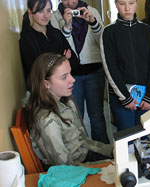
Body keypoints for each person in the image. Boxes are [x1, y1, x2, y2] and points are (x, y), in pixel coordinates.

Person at [24, 53, 113, 166]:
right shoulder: (47, 120)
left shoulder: (63, 102)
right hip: (75, 167)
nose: (73, 80)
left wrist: (111, 150)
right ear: (46, 83)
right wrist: (106, 165)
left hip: (84, 154)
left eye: (70, 74)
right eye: (64, 77)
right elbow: (66, 167)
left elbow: (82, 141)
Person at [50, 0, 109, 144]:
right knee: (75, 116)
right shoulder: (54, 16)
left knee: (97, 116)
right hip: (70, 75)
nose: (70, 2)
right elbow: (59, 44)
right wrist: (67, 25)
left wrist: (93, 22)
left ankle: (104, 151)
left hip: (94, 71)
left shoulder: (92, 11)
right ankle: (81, 151)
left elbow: (103, 40)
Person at [100, 0, 150, 131]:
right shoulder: (109, 32)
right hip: (121, 98)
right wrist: (125, 98)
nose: (127, 8)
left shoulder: (147, 30)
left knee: (147, 138)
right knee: (127, 140)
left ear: (136, 3)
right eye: (122, 4)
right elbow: (110, 67)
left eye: (131, 3)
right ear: (115, 4)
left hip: (146, 96)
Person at [19, 0, 78, 88]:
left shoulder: (56, 33)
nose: (46, 16)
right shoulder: (26, 40)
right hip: (43, 93)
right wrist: (63, 60)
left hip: (63, 90)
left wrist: (58, 63)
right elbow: (37, 73)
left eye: (48, 10)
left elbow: (75, 61)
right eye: (40, 11)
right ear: (30, 11)